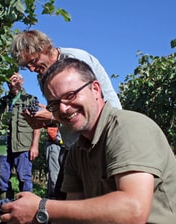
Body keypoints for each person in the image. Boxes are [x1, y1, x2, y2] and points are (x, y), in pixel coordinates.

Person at [0, 58, 176, 224]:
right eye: (54, 104)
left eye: (70, 96)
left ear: (95, 89)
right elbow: (74, 215)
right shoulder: (76, 152)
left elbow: (133, 210)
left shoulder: (128, 127)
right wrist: (32, 223)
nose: (63, 108)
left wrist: (42, 207)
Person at [10, 30, 122, 198]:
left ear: (45, 47)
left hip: (102, 138)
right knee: (67, 200)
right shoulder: (43, 76)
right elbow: (62, 112)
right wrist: (42, 121)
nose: (32, 69)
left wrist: (52, 117)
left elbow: (89, 107)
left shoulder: (76, 60)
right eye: (27, 66)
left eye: (33, 61)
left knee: (104, 198)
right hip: (75, 145)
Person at [0, 73, 41, 198]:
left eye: (15, 80)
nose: (12, 84)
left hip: (23, 145)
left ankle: (26, 207)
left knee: (23, 176)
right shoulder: (3, 102)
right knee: (2, 176)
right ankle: (6, 207)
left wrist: (35, 146)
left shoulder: (30, 100)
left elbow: (37, 124)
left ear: (22, 81)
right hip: (3, 145)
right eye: (9, 81)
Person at [43, 125, 65, 199]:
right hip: (55, 144)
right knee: (54, 175)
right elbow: (49, 125)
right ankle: (53, 198)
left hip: (66, 145)